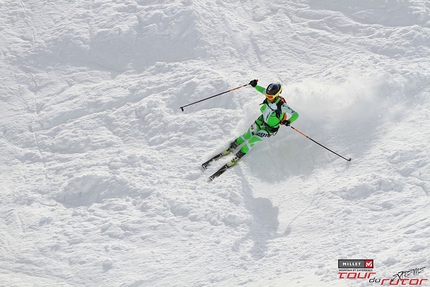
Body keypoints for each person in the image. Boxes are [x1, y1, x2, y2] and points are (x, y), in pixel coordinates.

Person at [224, 79, 299, 166]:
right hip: (260, 121)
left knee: (252, 140)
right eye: (267, 96)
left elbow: (296, 114)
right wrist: (255, 85)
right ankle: (232, 147)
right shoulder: (269, 96)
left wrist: (288, 121)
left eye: (270, 97)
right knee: (247, 135)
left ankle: (236, 157)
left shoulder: (281, 106)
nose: (268, 98)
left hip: (269, 129)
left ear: (276, 95)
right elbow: (261, 90)